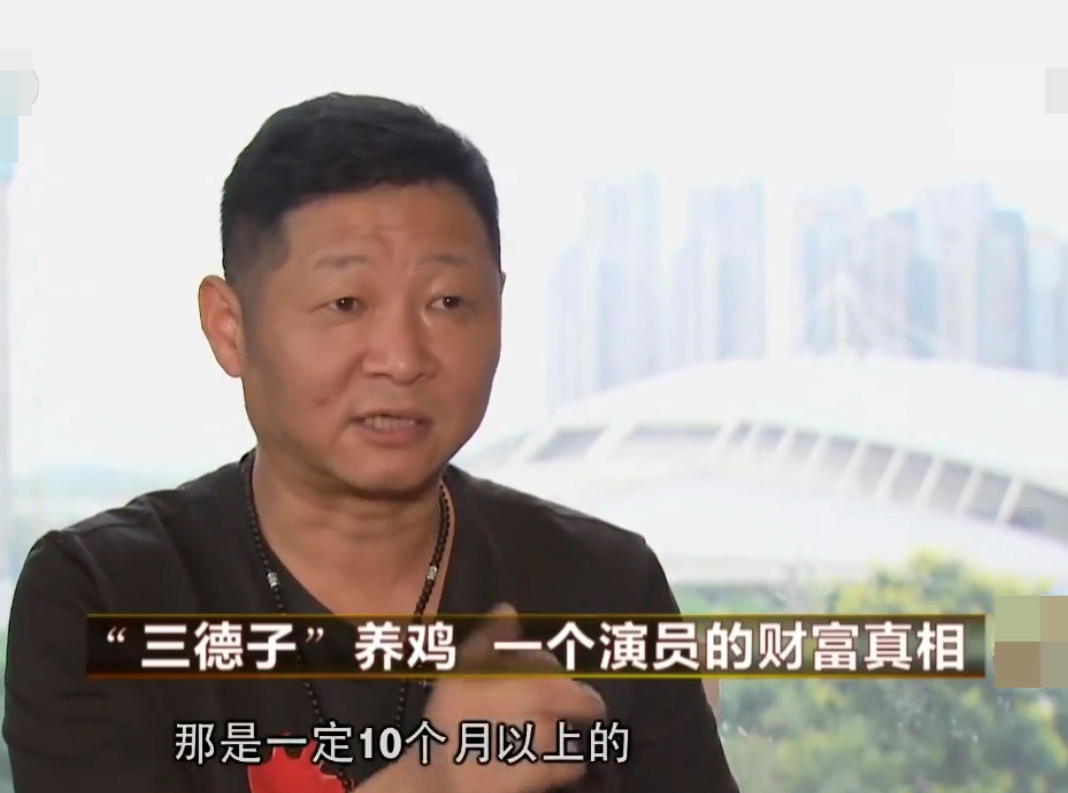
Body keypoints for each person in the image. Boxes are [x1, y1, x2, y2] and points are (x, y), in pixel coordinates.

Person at [3, 93, 740, 793]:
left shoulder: (607, 586)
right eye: (347, 303)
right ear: (230, 327)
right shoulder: (102, 596)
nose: (402, 357)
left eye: (448, 302)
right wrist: (434, 781)